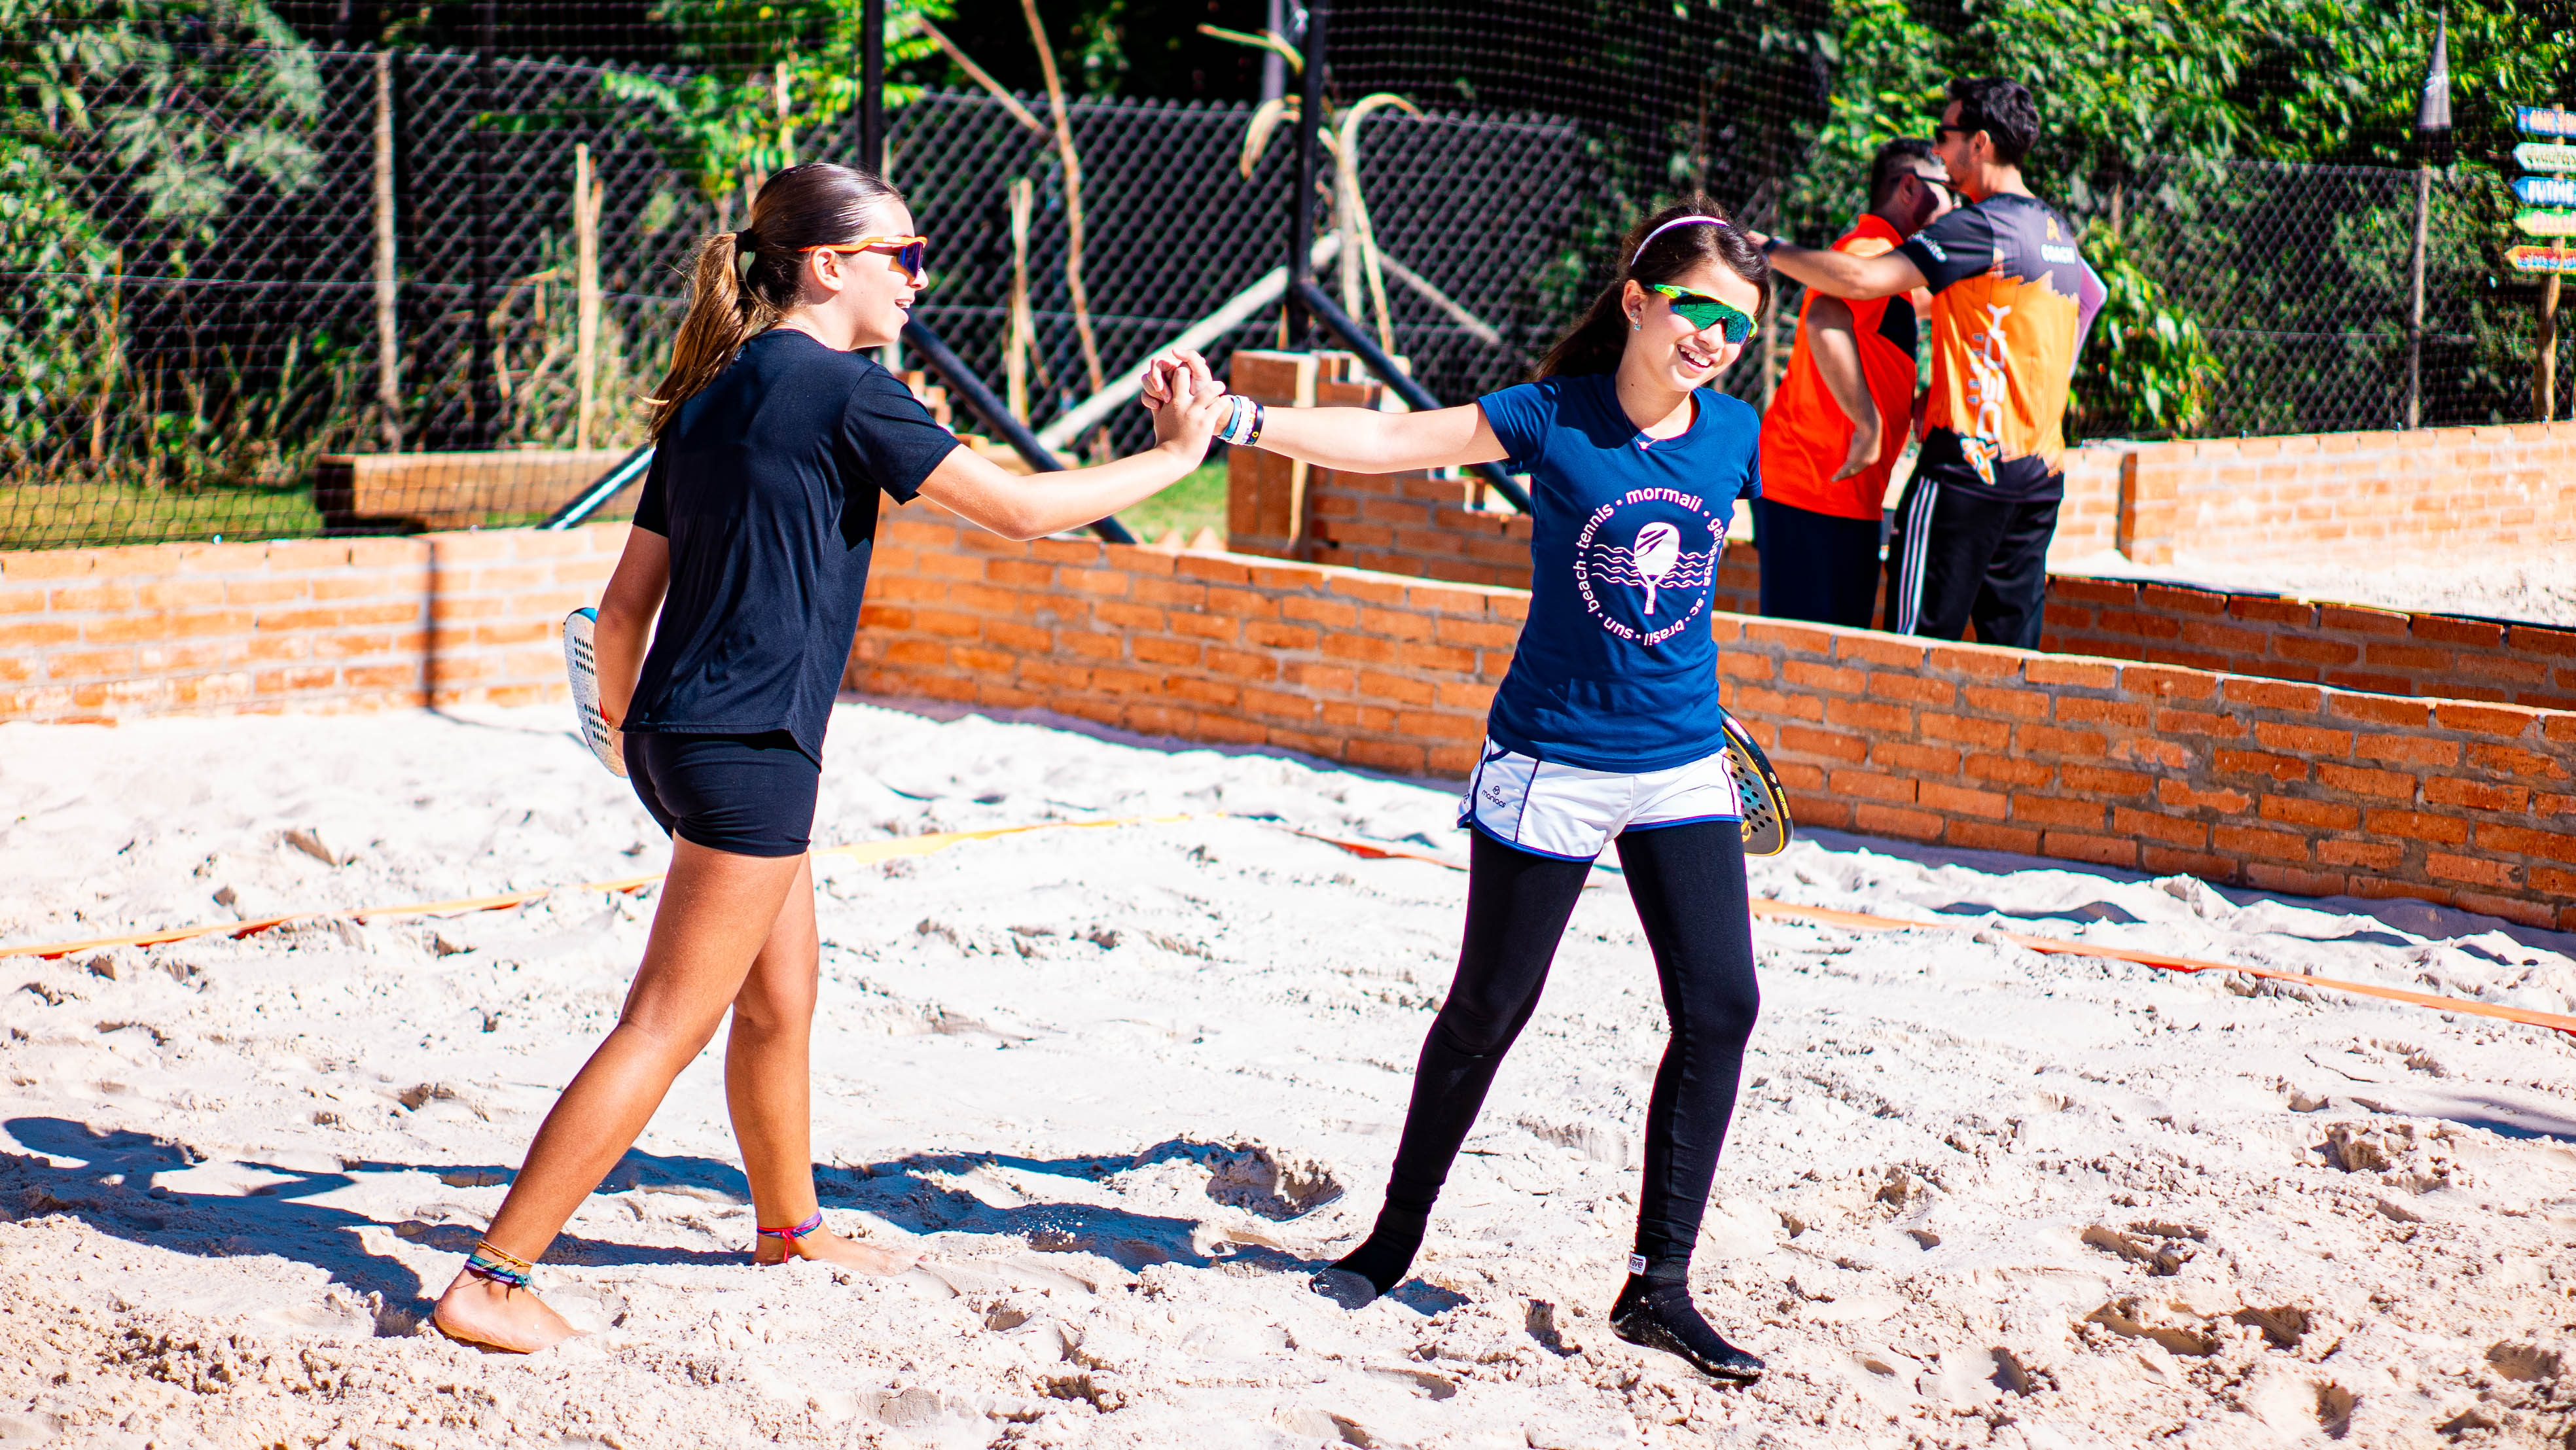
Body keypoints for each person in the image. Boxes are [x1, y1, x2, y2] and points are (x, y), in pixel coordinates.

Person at [430, 161, 1230, 1354]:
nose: (920, 277)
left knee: (782, 998)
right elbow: (1016, 512)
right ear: (829, 266)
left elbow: (624, 599)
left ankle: (787, 1228)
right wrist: (1175, 456)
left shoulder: (716, 389)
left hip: (677, 733)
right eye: (903, 256)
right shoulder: (848, 392)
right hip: (747, 744)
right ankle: (493, 1279)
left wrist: (620, 738)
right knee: (664, 1021)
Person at [1154, 196, 1770, 1383]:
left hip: (1684, 762)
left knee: (1723, 1008)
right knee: (1490, 1009)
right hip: (1552, 763)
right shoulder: (1555, 415)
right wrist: (1235, 415)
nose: (1711, 336)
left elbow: (1696, 585)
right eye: (1694, 306)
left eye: (1735, 326)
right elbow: (1391, 442)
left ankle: (1661, 1285)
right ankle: (1390, 1242)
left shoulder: (1732, 430)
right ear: (1639, 300)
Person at [1748, 77, 2105, 647]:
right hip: (2037, 473)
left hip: (1964, 468)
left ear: (1980, 144)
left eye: (1946, 136)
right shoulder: (2055, 230)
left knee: (1907, 654)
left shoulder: (1976, 229)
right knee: (2014, 661)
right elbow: (2091, 299)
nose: (1939, 148)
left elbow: (1861, 282)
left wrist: (1767, 249)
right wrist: (2039, 396)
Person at [1754, 139, 1952, 628]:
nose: (1957, 205)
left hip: (1839, 493)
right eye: (1949, 191)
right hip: (1816, 490)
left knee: (1831, 659)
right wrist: (1869, 424)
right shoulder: (1870, 252)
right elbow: (1823, 318)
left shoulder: (1891, 268)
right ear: (1910, 188)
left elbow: (1935, 306)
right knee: (1807, 663)